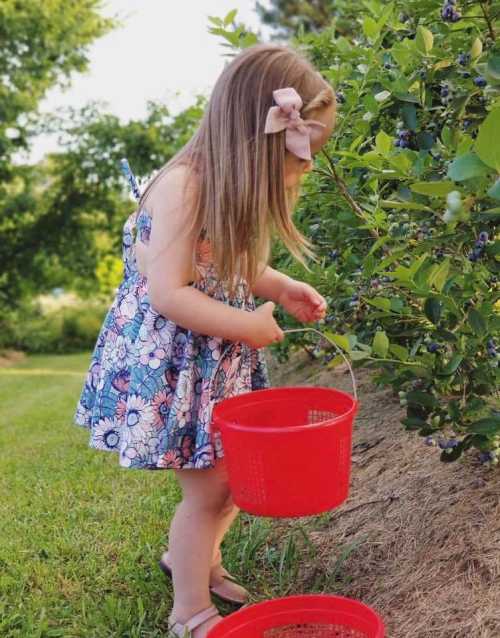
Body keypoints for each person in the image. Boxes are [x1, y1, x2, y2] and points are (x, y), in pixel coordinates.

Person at [74, 42, 336, 638]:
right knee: (209, 490)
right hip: (179, 364)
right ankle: (188, 608)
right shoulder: (182, 187)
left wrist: (282, 284)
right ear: (256, 139)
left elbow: (231, 264)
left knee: (236, 476)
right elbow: (170, 292)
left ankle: (200, 563)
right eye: (298, 156)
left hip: (216, 363)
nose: (306, 169)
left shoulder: (224, 190)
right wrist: (249, 325)